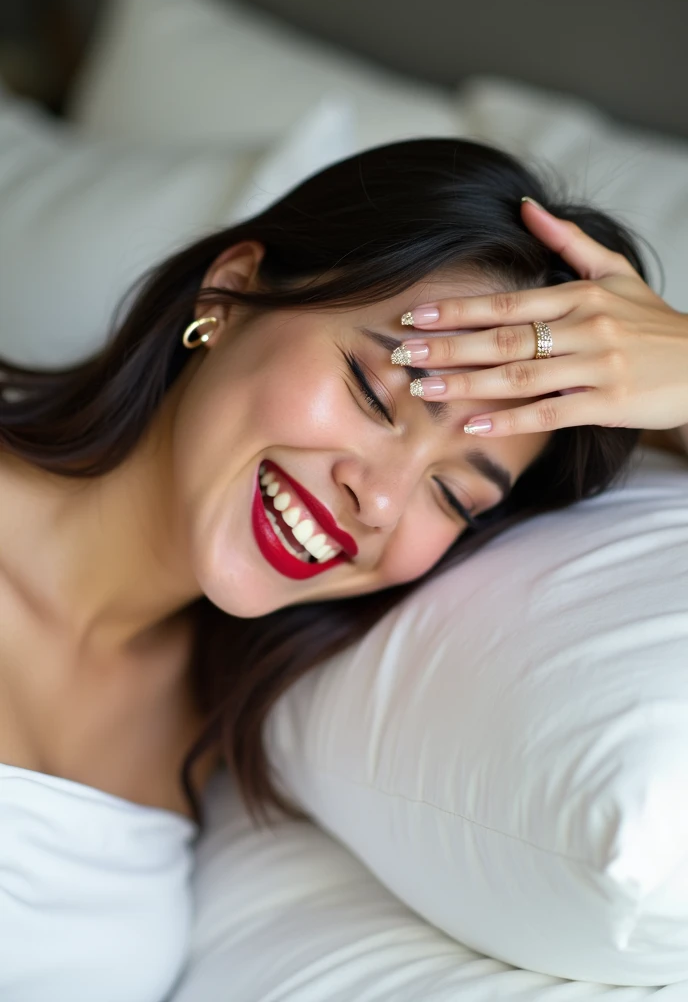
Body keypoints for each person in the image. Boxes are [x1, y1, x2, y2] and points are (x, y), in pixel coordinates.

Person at [0, 138, 686, 1000]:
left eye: (453, 495)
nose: (382, 501)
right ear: (232, 293)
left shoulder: (225, 707)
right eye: (373, 395)